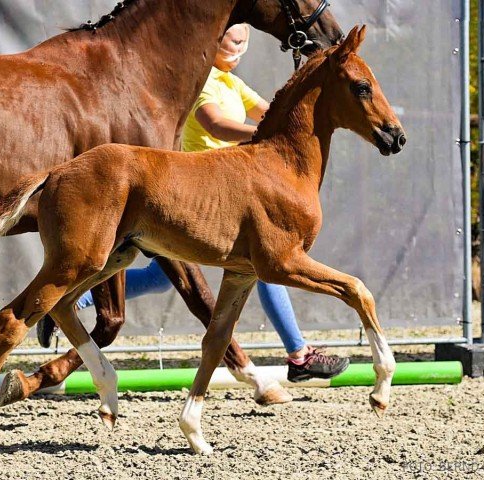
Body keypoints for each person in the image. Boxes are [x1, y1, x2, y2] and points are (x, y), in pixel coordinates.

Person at [72, 24, 349, 383]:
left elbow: (273, 111)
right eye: (234, 41)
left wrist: (294, 123)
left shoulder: (234, 83)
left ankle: (77, 300)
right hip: (204, 191)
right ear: (213, 40)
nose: (240, 50)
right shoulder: (202, 81)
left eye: (245, 44)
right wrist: (269, 138)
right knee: (269, 264)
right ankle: (298, 354)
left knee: (161, 278)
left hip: (237, 190)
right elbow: (216, 125)